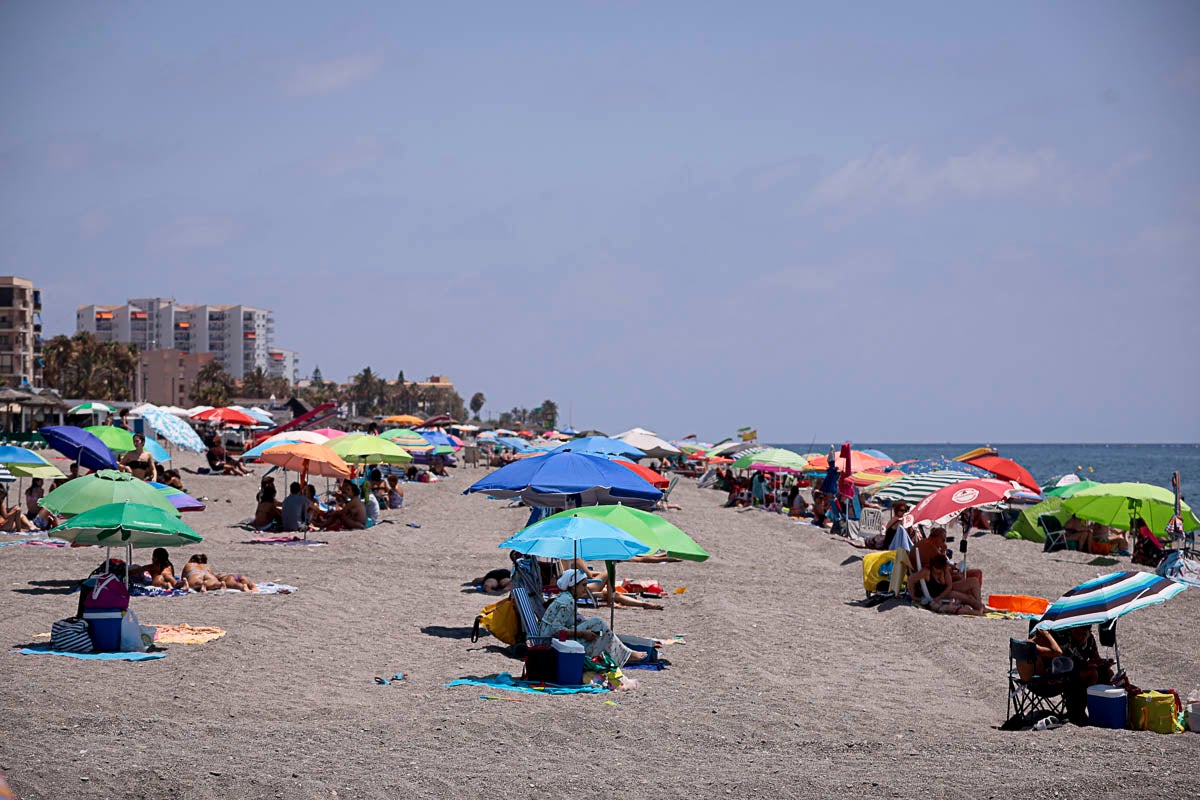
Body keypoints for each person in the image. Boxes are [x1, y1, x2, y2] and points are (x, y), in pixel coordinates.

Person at [538, 569, 647, 666]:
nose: (586, 589)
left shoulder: (566, 597)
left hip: (550, 638)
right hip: (550, 642)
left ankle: (624, 654)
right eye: (583, 585)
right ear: (573, 586)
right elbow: (556, 630)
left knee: (599, 631)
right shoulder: (568, 602)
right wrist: (583, 633)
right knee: (598, 623)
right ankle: (625, 654)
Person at [909, 553, 984, 614]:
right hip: (937, 593)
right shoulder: (927, 571)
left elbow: (949, 586)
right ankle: (978, 607)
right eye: (937, 569)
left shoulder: (944, 570)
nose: (938, 571)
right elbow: (911, 579)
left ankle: (978, 604)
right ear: (933, 566)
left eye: (940, 569)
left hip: (946, 591)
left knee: (974, 581)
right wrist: (913, 596)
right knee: (966, 597)